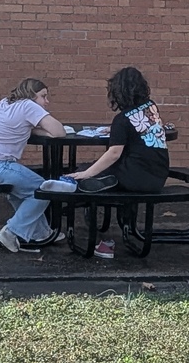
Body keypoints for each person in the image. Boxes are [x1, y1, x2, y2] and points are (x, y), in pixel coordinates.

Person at [65, 67, 171, 259]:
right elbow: (140, 131)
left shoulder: (121, 120)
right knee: (93, 170)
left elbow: (114, 153)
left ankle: (81, 217)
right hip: (157, 176)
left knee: (83, 172)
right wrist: (114, 130)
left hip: (135, 178)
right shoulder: (151, 108)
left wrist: (87, 172)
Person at [0, 78, 67, 253]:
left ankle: (41, 233)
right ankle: (11, 232)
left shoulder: (4, 103)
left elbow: (25, 128)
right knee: (44, 189)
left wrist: (40, 129)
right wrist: (47, 130)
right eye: (43, 96)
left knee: (26, 189)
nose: (46, 102)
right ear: (32, 95)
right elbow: (59, 131)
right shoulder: (29, 105)